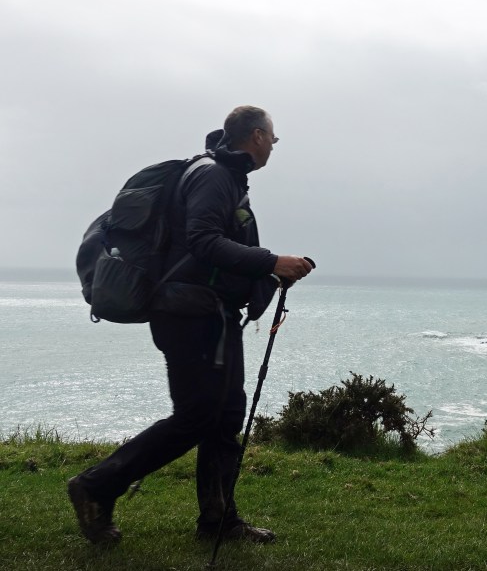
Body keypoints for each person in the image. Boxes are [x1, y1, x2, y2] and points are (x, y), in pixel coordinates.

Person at [67, 106, 314, 545]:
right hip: (190, 315)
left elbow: (212, 247)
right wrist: (272, 261)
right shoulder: (215, 175)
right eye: (273, 138)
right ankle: (97, 485)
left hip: (210, 313)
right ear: (256, 136)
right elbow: (202, 242)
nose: (274, 146)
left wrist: (263, 274)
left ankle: (220, 521)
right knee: (197, 416)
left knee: (224, 416)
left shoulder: (226, 176)